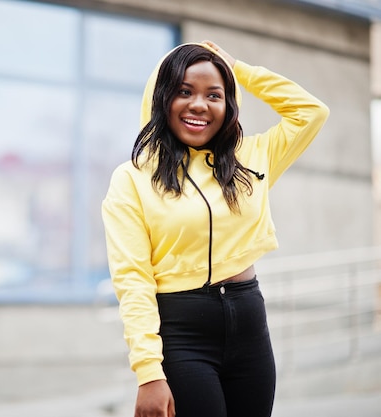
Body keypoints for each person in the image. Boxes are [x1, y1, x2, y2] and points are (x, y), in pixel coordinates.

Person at [101, 40, 329, 417]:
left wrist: (238, 69)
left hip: (249, 324)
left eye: (214, 95)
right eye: (184, 91)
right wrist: (148, 372)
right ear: (161, 98)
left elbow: (312, 113)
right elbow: (132, 279)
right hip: (182, 331)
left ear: (228, 106)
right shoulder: (132, 179)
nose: (199, 105)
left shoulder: (253, 159)